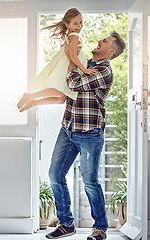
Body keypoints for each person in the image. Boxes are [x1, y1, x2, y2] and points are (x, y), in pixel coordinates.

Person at [46, 31, 126, 240]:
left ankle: (100, 228)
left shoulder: (104, 72)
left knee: (90, 181)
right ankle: (66, 224)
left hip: (89, 132)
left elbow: (73, 84)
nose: (99, 40)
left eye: (105, 41)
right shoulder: (85, 62)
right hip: (68, 128)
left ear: (110, 51)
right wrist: (72, 56)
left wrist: (72, 60)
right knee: (55, 175)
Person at [17, 8, 97, 113]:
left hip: (67, 64)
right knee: (59, 91)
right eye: (75, 23)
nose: (79, 26)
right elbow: (73, 56)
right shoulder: (74, 36)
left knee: (61, 99)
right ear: (67, 25)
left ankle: (34, 102)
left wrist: (84, 59)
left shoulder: (71, 36)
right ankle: (31, 96)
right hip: (66, 66)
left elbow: (75, 54)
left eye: (81, 22)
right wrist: (84, 70)